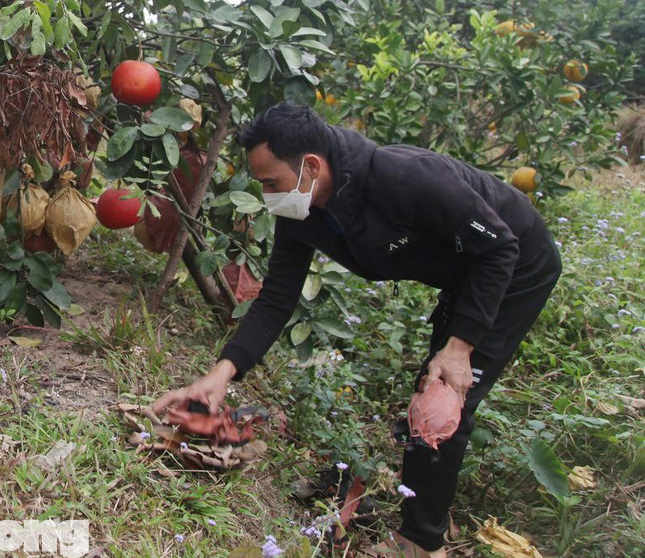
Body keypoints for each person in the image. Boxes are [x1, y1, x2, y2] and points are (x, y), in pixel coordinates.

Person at [153, 103, 561, 557]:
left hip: (515, 264)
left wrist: (460, 346)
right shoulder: (300, 210)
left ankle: (421, 544)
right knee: (430, 386)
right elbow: (276, 298)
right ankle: (427, 514)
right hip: (464, 273)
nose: (268, 196)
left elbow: (500, 247)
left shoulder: (403, 177)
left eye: (271, 183)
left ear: (310, 165)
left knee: (441, 405)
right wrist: (221, 374)